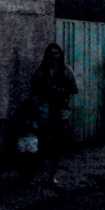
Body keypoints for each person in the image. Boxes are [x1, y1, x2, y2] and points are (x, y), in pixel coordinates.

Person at [31, 43, 78, 188]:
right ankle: (35, 174)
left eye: (57, 53)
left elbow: (74, 88)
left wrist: (60, 90)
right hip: (45, 106)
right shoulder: (41, 71)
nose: (54, 56)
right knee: (42, 140)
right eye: (51, 53)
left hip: (61, 106)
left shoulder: (66, 70)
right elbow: (33, 88)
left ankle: (52, 175)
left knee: (57, 142)